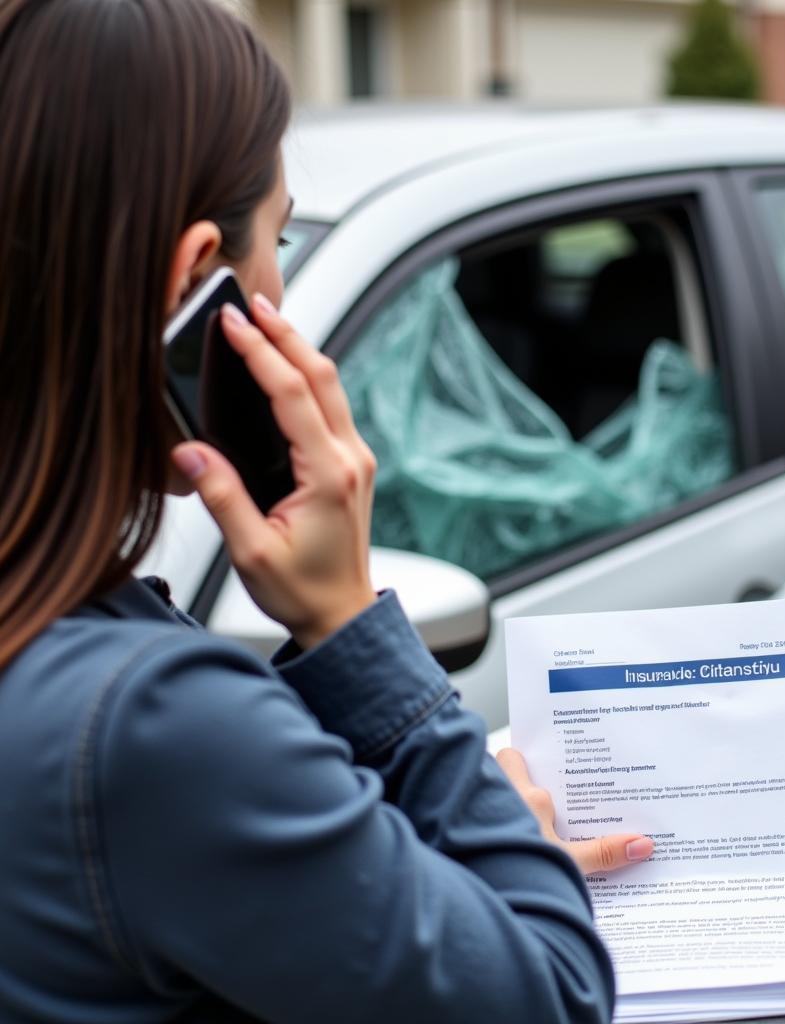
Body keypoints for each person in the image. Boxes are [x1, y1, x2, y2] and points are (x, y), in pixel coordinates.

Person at [0, 1, 652, 1021]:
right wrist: (350, 623)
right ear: (196, 275)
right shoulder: (148, 723)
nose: (282, 287)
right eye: (283, 237)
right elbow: (554, 997)